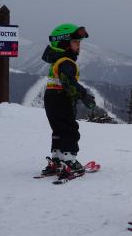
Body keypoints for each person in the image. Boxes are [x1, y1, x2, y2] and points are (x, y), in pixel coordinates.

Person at [40, 23, 96, 178]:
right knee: (70, 129)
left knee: (58, 129)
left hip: (50, 97)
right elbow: (68, 82)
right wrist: (84, 95)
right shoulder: (66, 62)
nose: (79, 46)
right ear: (64, 43)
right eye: (76, 42)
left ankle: (57, 159)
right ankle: (70, 161)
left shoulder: (56, 60)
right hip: (61, 97)